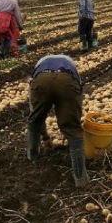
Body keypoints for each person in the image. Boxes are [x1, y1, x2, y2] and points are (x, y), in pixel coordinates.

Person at [27, 55, 89, 187]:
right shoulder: (71, 65)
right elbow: (77, 100)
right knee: (74, 130)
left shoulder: (39, 67)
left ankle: (32, 155)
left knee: (35, 120)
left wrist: (45, 137)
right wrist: (69, 126)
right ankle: (81, 179)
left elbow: (35, 116)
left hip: (41, 81)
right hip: (67, 81)